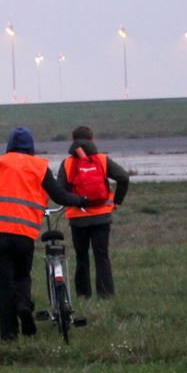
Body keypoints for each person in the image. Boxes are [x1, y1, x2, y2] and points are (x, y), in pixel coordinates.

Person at [0, 126, 87, 341]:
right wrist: (81, 200)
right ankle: (23, 305)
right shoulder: (38, 166)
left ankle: (9, 336)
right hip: (23, 234)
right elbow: (60, 196)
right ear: (31, 148)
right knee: (22, 276)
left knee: (3, 285)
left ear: (9, 146)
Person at [56, 125, 130, 299]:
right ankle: (106, 295)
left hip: (77, 218)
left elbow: (60, 191)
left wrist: (75, 201)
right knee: (102, 256)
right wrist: (116, 201)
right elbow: (124, 178)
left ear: (73, 141)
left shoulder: (67, 163)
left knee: (81, 257)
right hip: (102, 217)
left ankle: (83, 295)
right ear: (92, 140)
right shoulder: (102, 159)